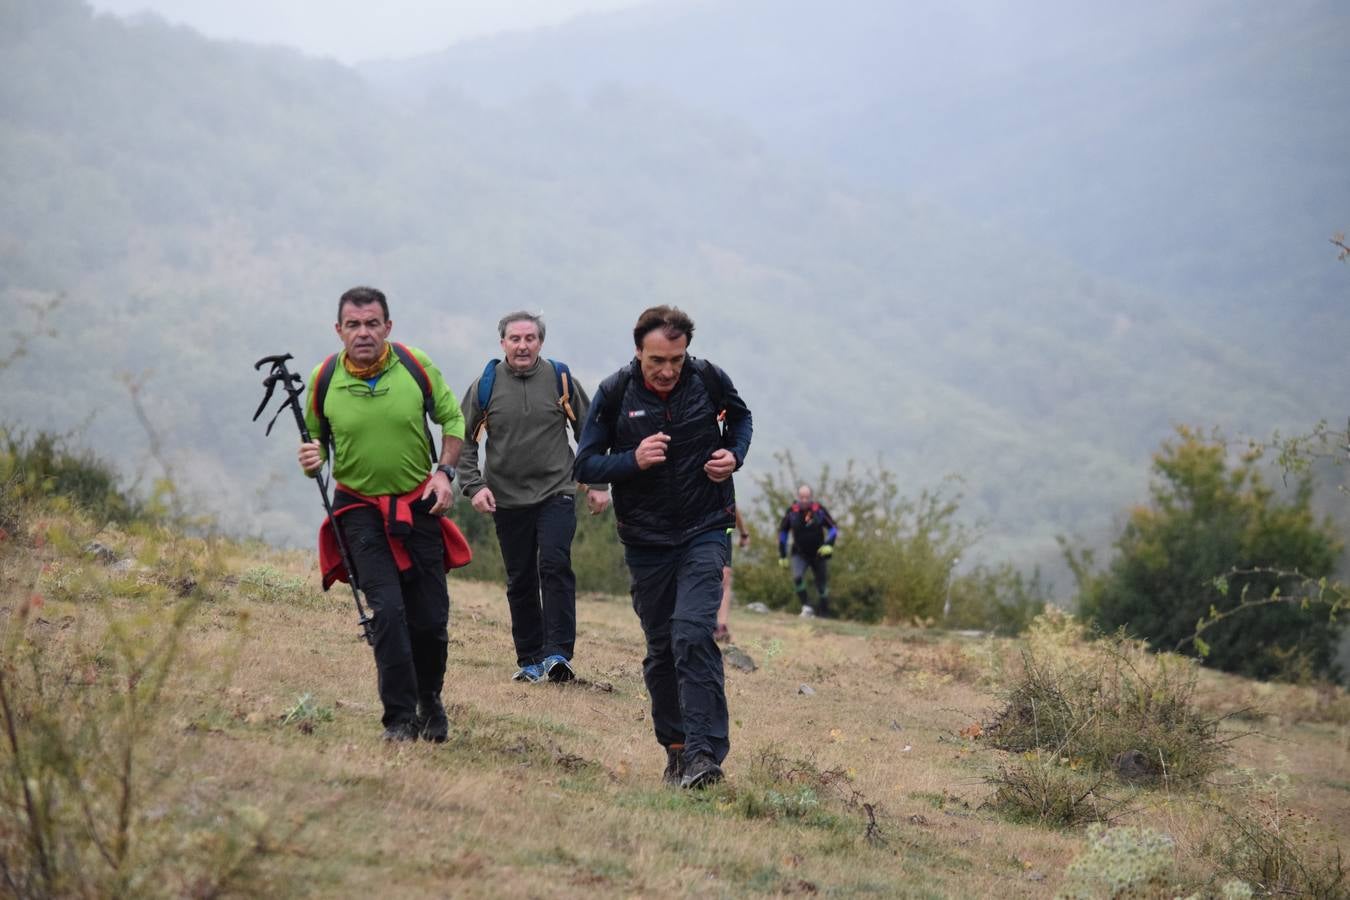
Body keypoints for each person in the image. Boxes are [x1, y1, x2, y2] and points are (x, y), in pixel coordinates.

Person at [574, 305, 752, 790]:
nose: (668, 370)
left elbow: (741, 420)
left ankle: (703, 755)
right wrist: (632, 459)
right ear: (638, 352)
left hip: (705, 528)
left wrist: (733, 455)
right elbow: (586, 464)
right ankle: (676, 750)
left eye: (676, 359)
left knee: (693, 634)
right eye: (658, 360)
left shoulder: (708, 379)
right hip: (647, 540)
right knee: (661, 649)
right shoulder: (615, 393)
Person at [297, 286, 466, 743]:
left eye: (372, 324)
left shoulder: (416, 366)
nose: (363, 333)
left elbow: (454, 421)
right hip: (357, 510)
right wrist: (312, 461)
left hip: (420, 506)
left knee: (430, 620)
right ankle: (399, 720)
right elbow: (316, 446)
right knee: (388, 613)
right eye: (353, 325)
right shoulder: (324, 378)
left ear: (388, 327)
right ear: (339, 330)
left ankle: (429, 698)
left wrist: (445, 474)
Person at [457, 311, 611, 684]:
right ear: (503, 343)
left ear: (540, 342)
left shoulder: (560, 379)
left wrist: (597, 484)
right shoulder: (485, 386)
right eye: (515, 339)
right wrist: (474, 487)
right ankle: (529, 660)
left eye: (530, 338)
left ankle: (558, 655)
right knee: (520, 577)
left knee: (555, 564)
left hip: (556, 489)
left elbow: (589, 430)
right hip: (505, 498)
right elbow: (462, 442)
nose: (523, 345)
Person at [778, 484, 838, 618]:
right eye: (801, 497)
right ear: (797, 497)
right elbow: (782, 532)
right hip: (799, 553)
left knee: (821, 585)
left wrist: (829, 544)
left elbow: (833, 528)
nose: (804, 500)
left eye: (807, 497)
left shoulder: (819, 510)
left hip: (819, 553)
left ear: (811, 497)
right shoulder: (791, 512)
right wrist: (782, 554)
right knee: (797, 577)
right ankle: (807, 606)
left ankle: (824, 613)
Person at [714, 509, 749, 643]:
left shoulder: (727, 488)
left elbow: (734, 507)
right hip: (697, 529)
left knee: (725, 576)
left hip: (722, 532)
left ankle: (721, 626)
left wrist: (744, 533)